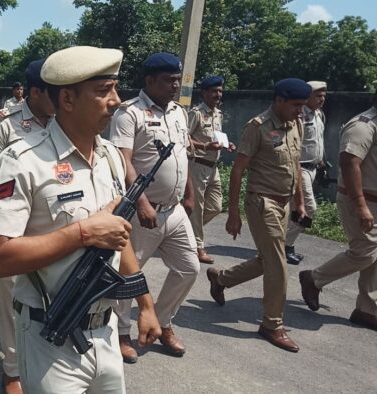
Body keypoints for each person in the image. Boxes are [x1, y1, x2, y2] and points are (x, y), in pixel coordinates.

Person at [0, 45, 161, 394]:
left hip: (106, 333)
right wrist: (82, 233)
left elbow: (117, 236)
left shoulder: (110, 156)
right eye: (103, 91)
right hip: (50, 336)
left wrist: (145, 304)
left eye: (115, 88)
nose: (116, 101)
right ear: (67, 99)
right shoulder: (23, 161)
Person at [207, 78, 310, 352]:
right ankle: (271, 324)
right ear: (279, 100)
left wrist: (300, 202)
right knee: (278, 265)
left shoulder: (295, 124)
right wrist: (233, 213)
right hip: (261, 203)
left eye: (302, 106)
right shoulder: (258, 127)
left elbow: (296, 164)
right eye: (296, 105)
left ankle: (221, 278)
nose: (300, 110)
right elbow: (238, 171)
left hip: (284, 203)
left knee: (268, 260)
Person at [110, 52, 198, 361]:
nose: (175, 85)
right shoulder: (129, 113)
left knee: (190, 267)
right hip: (142, 211)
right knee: (128, 275)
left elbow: (182, 156)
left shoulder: (178, 112)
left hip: (173, 210)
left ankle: (161, 322)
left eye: (177, 79)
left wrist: (190, 195)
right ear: (149, 81)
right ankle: (120, 333)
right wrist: (142, 201)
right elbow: (123, 160)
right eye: (168, 80)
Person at [0, 59, 54, 394]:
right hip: (12, 227)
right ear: (35, 92)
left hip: (51, 225)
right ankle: (11, 370)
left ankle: (43, 359)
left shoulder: (62, 122)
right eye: (54, 92)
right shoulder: (4, 125)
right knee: (11, 301)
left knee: (48, 296)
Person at [299, 91, 377, 331]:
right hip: (361, 200)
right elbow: (349, 162)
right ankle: (314, 278)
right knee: (364, 252)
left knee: (375, 256)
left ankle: (367, 308)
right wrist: (361, 204)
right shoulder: (363, 125)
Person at [188, 76, 236, 264]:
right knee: (197, 209)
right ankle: (198, 247)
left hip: (213, 167)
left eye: (220, 91)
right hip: (197, 165)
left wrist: (226, 144)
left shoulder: (218, 114)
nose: (218, 94)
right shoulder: (196, 113)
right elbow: (184, 138)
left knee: (215, 206)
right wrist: (205, 146)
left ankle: (183, 230)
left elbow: (216, 137)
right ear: (205, 93)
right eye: (214, 91)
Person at [285, 81, 328, 265]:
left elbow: (317, 140)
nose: (322, 99)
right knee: (309, 208)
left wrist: (322, 161)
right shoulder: (299, 116)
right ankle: (284, 244)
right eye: (318, 95)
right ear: (307, 97)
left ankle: (287, 244)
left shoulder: (319, 114)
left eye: (324, 95)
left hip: (313, 168)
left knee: (296, 211)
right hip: (299, 168)